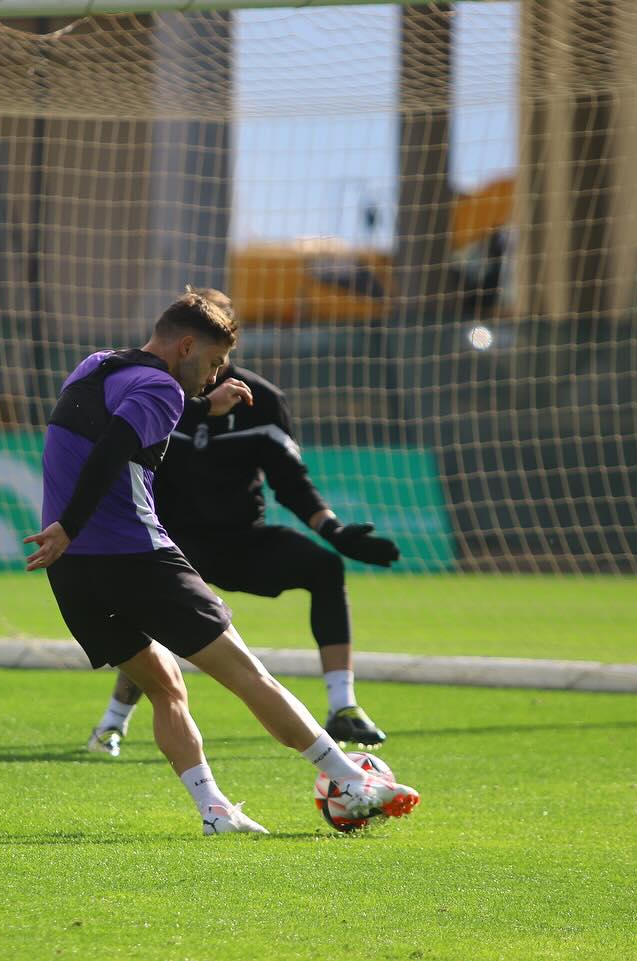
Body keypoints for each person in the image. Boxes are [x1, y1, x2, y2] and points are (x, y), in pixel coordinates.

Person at [25, 288, 419, 834]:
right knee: (249, 675)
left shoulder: (98, 366)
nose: (214, 375)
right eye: (212, 363)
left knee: (166, 688)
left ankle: (215, 810)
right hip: (136, 556)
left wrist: (205, 407)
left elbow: (131, 415)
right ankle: (349, 779)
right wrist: (71, 523)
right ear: (186, 346)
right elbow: (114, 448)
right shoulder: (163, 387)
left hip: (72, 572)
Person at [85, 289, 398, 758]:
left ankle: (344, 707)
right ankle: (112, 725)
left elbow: (291, 481)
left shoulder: (263, 400)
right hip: (171, 540)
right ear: (190, 342)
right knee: (153, 610)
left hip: (242, 541)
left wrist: (332, 530)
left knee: (324, 567)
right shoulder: (153, 391)